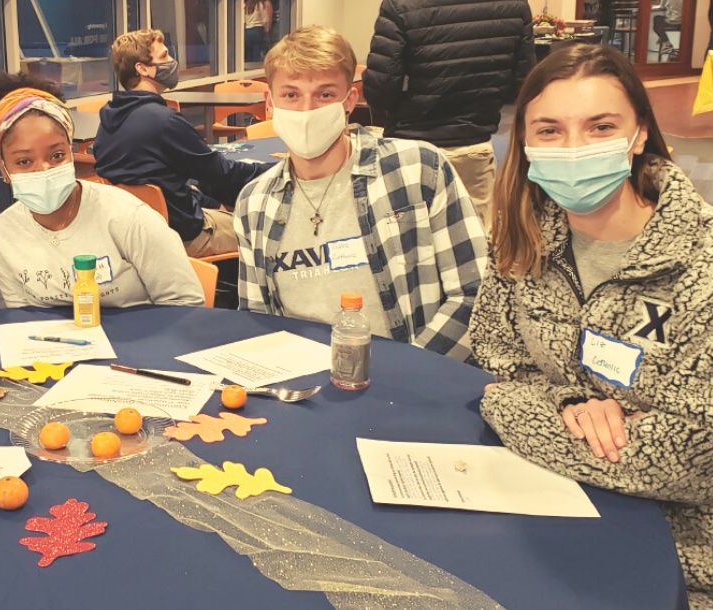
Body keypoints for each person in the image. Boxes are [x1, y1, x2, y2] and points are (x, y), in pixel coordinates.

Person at [470, 43, 712, 606]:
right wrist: (569, 404)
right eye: (549, 130)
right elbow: (498, 358)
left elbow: (692, 454)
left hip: (680, 562)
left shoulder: (698, 263)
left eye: (600, 126)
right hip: (544, 510)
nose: (574, 149)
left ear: (639, 135)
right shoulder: (522, 237)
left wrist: (513, 409)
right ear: (525, 143)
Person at [236, 26, 488, 362]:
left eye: (325, 95)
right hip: (305, 383)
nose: (306, 111)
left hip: (411, 378)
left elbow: (476, 295)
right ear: (270, 104)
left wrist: (408, 373)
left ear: (349, 101)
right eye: (291, 95)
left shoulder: (417, 169)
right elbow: (258, 320)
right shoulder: (254, 203)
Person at [0, 74, 204, 308]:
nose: (44, 170)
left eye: (57, 156)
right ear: (3, 169)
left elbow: (185, 303)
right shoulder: (1, 236)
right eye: (24, 161)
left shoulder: (127, 217)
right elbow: (22, 320)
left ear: (71, 151)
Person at [93, 28, 273, 258]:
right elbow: (221, 172)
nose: (172, 62)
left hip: (137, 233)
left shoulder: (109, 117)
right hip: (183, 235)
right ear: (142, 68)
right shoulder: (164, 121)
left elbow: (156, 179)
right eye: (164, 56)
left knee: (214, 198)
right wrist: (274, 170)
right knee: (266, 228)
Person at [363, 0, 534, 229]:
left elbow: (379, 93)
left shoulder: (399, 5)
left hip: (410, 151)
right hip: (473, 147)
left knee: (409, 244)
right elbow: (521, 86)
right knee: (477, 247)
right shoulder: (516, 6)